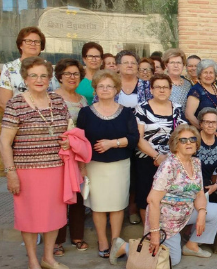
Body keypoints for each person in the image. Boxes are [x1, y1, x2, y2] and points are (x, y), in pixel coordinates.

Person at [110, 125, 217, 266]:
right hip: (166, 220)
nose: (189, 143)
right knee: (172, 260)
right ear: (176, 145)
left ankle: (191, 246)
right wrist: (155, 233)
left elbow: (199, 193)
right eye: (183, 140)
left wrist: (201, 212)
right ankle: (123, 247)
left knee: (215, 210)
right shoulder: (169, 165)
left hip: (186, 212)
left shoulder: (196, 162)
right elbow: (152, 200)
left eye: (192, 139)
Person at [0, 57, 72, 269]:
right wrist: (10, 172)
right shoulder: (16, 103)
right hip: (27, 171)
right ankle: (33, 260)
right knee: (29, 217)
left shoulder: (57, 101)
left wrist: (68, 141)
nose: (39, 80)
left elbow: (67, 130)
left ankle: (48, 258)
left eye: (43, 76)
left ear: (50, 79)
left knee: (54, 215)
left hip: (56, 168)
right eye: (34, 75)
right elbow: (5, 142)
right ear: (25, 78)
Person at [76, 70, 140, 258]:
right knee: (98, 205)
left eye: (109, 86)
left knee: (118, 204)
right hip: (94, 166)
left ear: (116, 89)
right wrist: (82, 167)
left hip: (119, 165)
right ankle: (103, 240)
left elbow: (134, 138)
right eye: (101, 86)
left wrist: (112, 143)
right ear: (95, 89)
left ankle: (115, 241)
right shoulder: (85, 112)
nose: (105, 89)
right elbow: (79, 141)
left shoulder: (126, 112)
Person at [134, 74, 187, 223]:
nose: (162, 90)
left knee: (169, 196)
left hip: (172, 161)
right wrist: (157, 157)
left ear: (170, 89)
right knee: (146, 196)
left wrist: (171, 157)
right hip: (147, 159)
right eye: (158, 87)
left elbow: (182, 134)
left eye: (165, 87)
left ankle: (167, 230)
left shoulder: (176, 108)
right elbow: (139, 138)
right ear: (151, 89)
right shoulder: (142, 108)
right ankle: (150, 232)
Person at [53, 59, 89, 255]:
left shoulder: (83, 100)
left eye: (75, 74)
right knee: (60, 197)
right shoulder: (52, 98)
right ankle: (57, 240)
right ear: (59, 76)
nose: (72, 77)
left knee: (78, 196)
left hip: (78, 153)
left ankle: (77, 236)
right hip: (58, 154)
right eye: (67, 73)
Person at [0, 27, 57, 113]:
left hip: (47, 118)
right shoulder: (9, 68)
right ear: (20, 45)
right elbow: (4, 103)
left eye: (37, 42)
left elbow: (55, 95)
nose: (33, 44)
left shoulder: (48, 67)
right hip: (19, 119)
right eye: (28, 41)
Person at [196, 108, 217, 204]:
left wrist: (216, 185)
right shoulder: (194, 139)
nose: (210, 125)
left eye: (213, 122)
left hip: (207, 184)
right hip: (191, 183)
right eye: (207, 122)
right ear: (201, 124)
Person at [185, 59, 217, 128]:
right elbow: (189, 115)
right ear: (200, 75)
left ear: (215, 75)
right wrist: (205, 130)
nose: (208, 75)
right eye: (205, 72)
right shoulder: (196, 90)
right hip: (203, 132)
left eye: (211, 73)